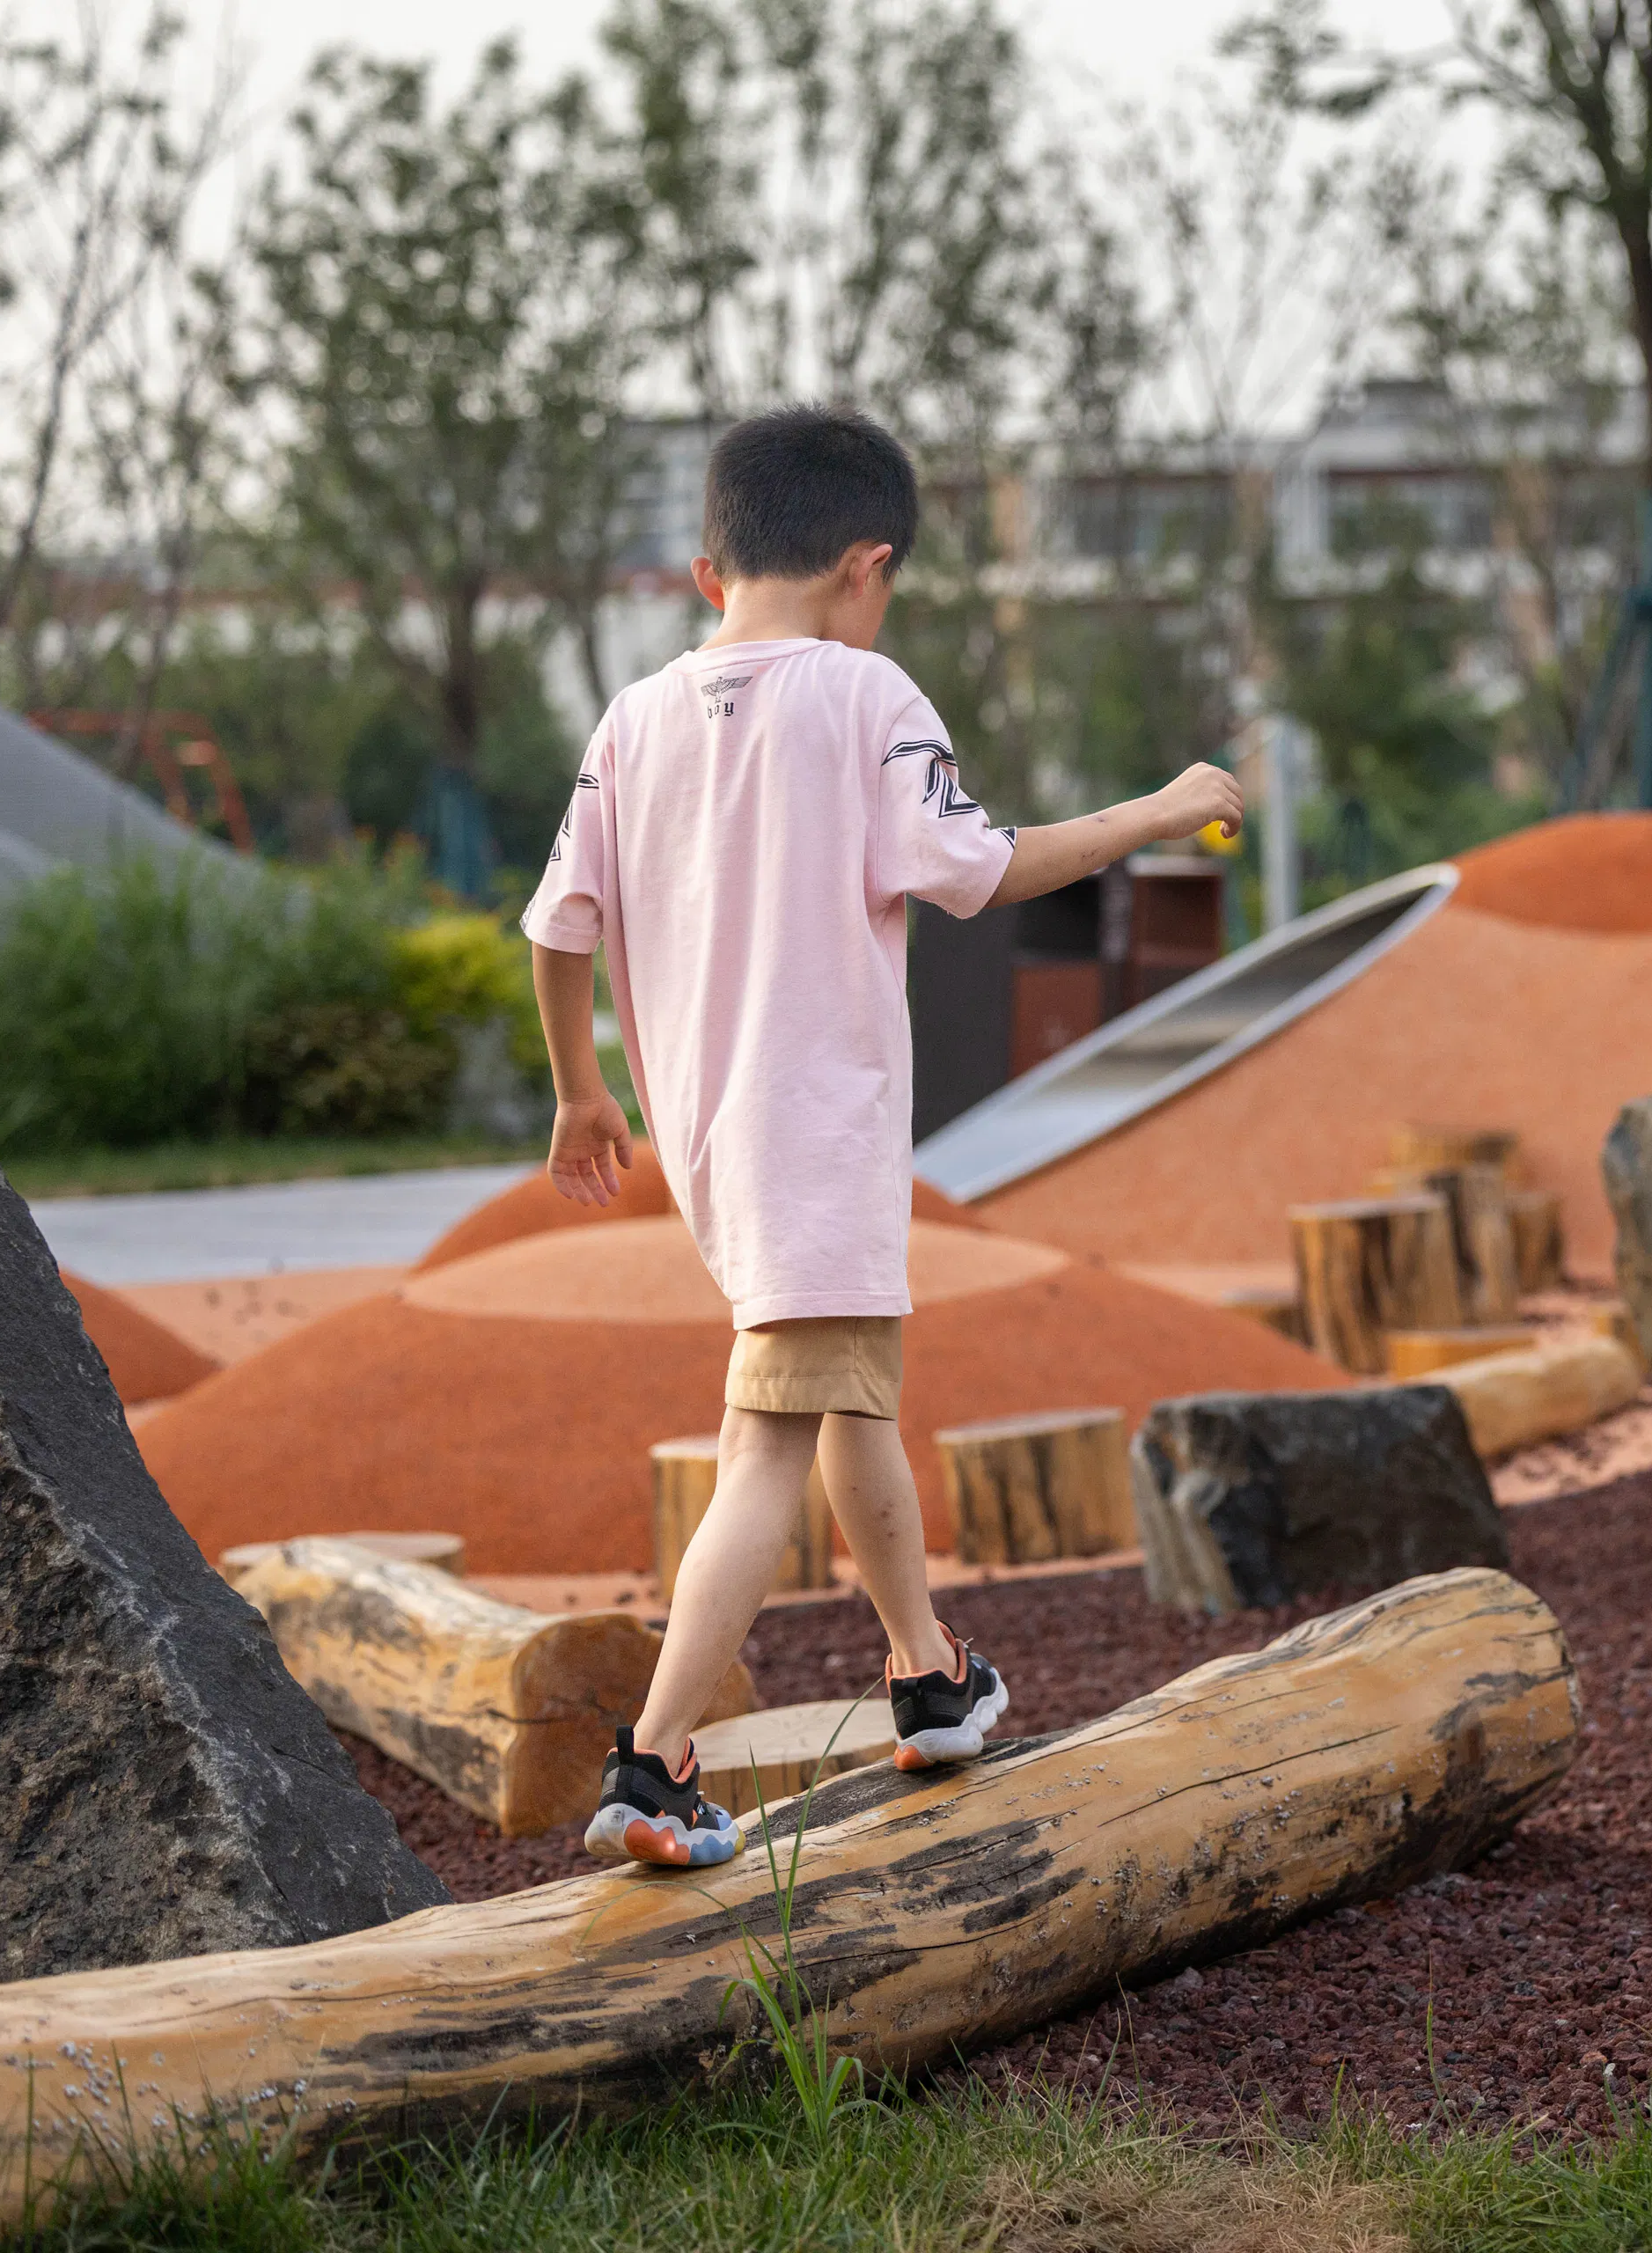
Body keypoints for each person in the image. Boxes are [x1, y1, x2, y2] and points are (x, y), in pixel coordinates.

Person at [524, 405, 1245, 1868]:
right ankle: (653, 1766)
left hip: (714, 1144)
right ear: (869, 566)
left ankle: (929, 1676)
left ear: (706, 568)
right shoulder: (865, 696)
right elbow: (982, 870)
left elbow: (558, 928)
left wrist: (580, 1090)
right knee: (767, 1449)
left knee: (841, 1394)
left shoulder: (634, 717)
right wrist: (1161, 811)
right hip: (821, 1129)